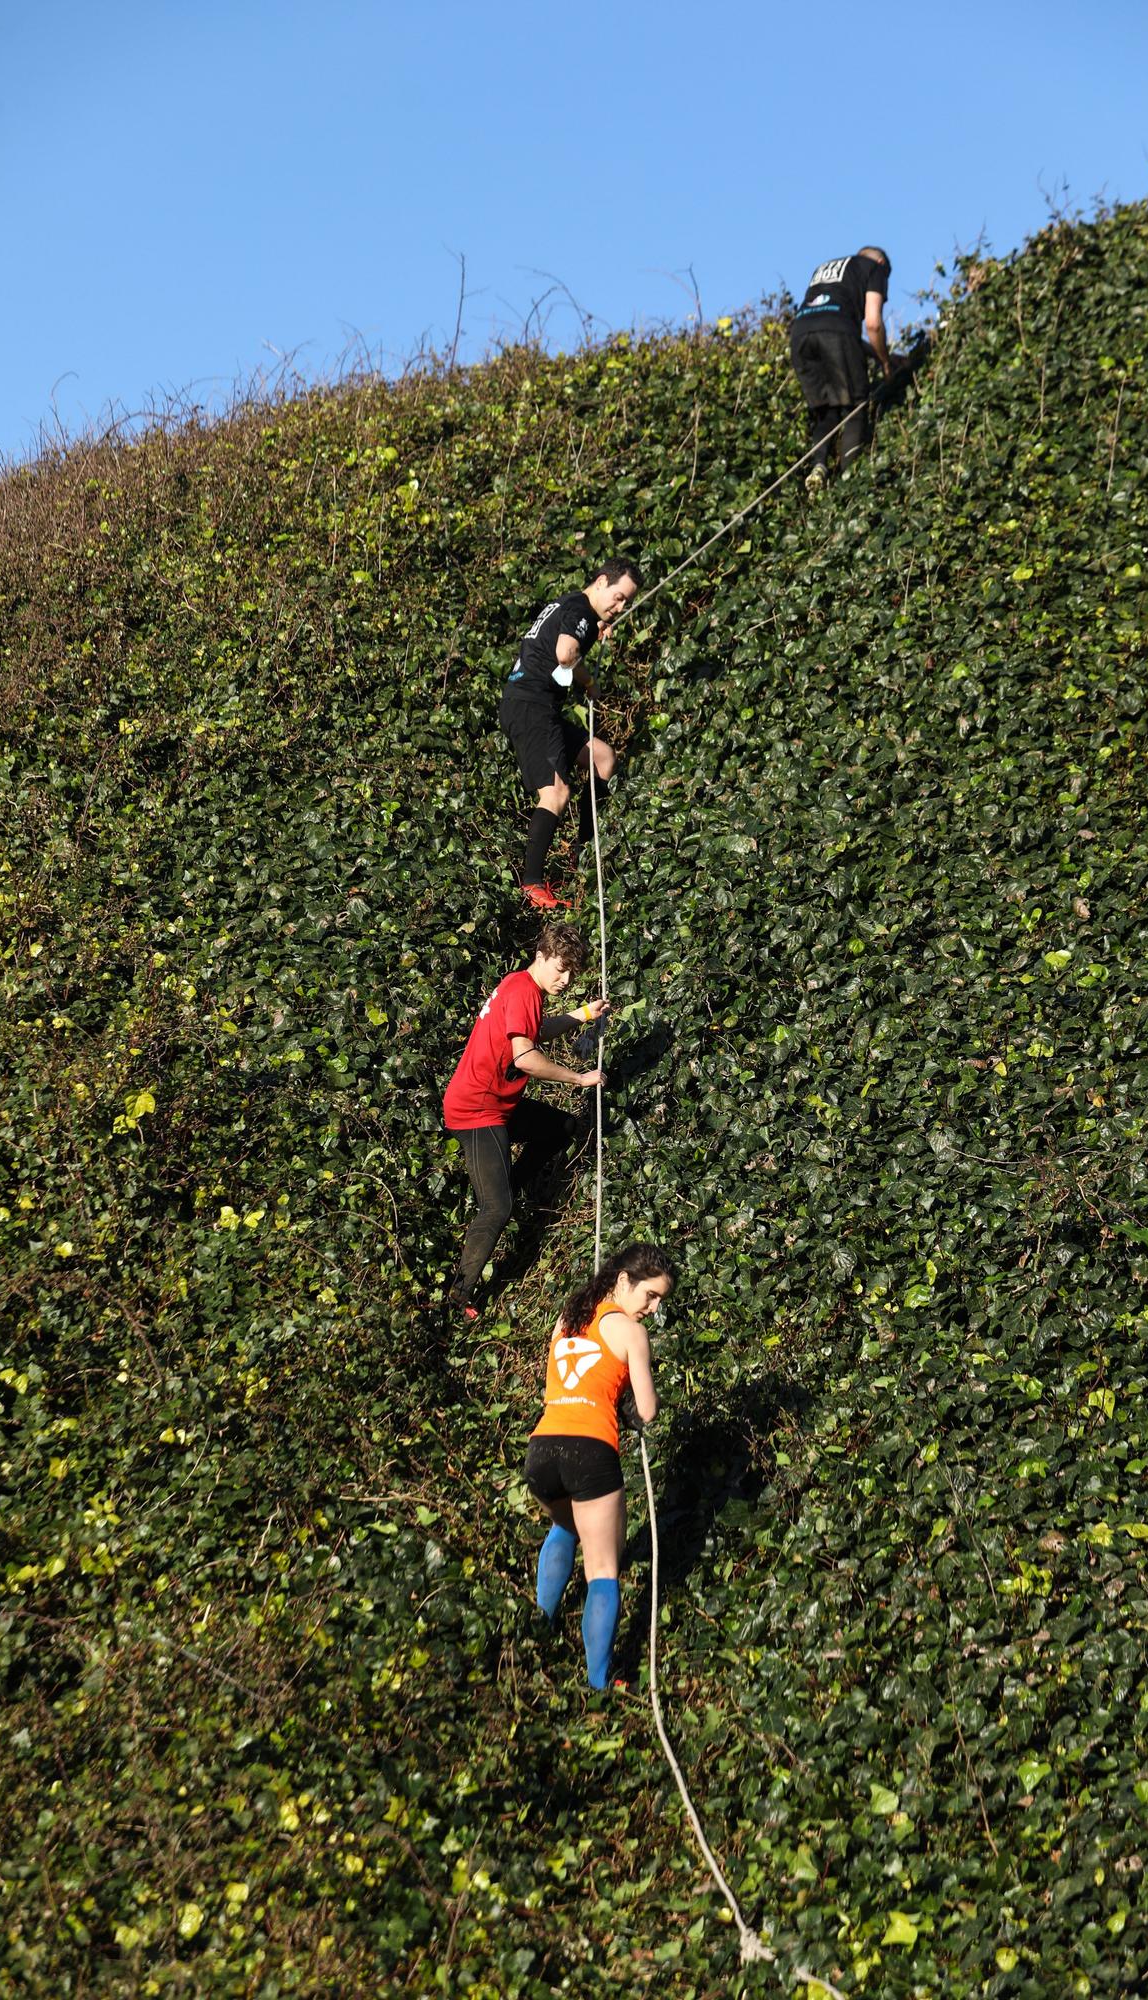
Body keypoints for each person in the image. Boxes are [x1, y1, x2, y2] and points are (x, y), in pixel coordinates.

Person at [525, 1242, 673, 1689]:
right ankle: (599, 1685)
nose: (653, 1307)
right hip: (589, 1450)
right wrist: (632, 1402)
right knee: (604, 1568)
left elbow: (558, 1380)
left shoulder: (566, 1320)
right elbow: (646, 1410)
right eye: (649, 1295)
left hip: (542, 1449)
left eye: (660, 1300)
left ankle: (539, 1637)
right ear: (623, 1281)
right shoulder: (630, 1332)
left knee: (564, 1529)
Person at [442, 923, 609, 1317]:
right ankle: (457, 1296)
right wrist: (578, 1077)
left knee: (562, 1128)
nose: (565, 979)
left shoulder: (523, 987)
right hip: (476, 1110)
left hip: (499, 1105)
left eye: (572, 973)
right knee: (497, 1210)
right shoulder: (522, 992)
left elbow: (534, 1031)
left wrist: (581, 1015)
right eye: (560, 969)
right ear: (542, 955)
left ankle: (500, 1185)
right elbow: (525, 1058)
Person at [500, 559, 644, 911]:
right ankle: (531, 883)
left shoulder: (571, 606)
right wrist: (588, 636)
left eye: (626, 603)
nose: (620, 607)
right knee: (556, 792)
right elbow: (565, 653)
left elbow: (563, 655)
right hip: (531, 707)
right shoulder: (579, 609)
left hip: (534, 705)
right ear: (600, 582)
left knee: (603, 757)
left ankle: (583, 850)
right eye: (619, 597)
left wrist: (589, 683)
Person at [789, 246, 894, 489]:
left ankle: (819, 465)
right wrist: (886, 364)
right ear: (880, 263)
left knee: (827, 410)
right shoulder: (874, 268)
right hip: (837, 333)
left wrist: (882, 355)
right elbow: (874, 324)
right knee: (856, 407)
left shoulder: (825, 269)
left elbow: (829, 325)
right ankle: (849, 485)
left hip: (800, 335)